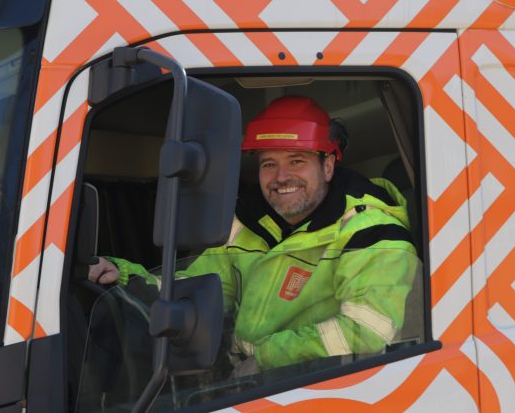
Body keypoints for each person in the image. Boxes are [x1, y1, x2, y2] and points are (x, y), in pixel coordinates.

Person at [88, 96, 419, 375]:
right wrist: (125, 276)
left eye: (296, 161)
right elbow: (197, 290)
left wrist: (264, 358)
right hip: (249, 385)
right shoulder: (248, 224)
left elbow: (366, 334)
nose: (281, 177)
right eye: (268, 164)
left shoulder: (371, 233)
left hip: (329, 394)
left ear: (328, 166)